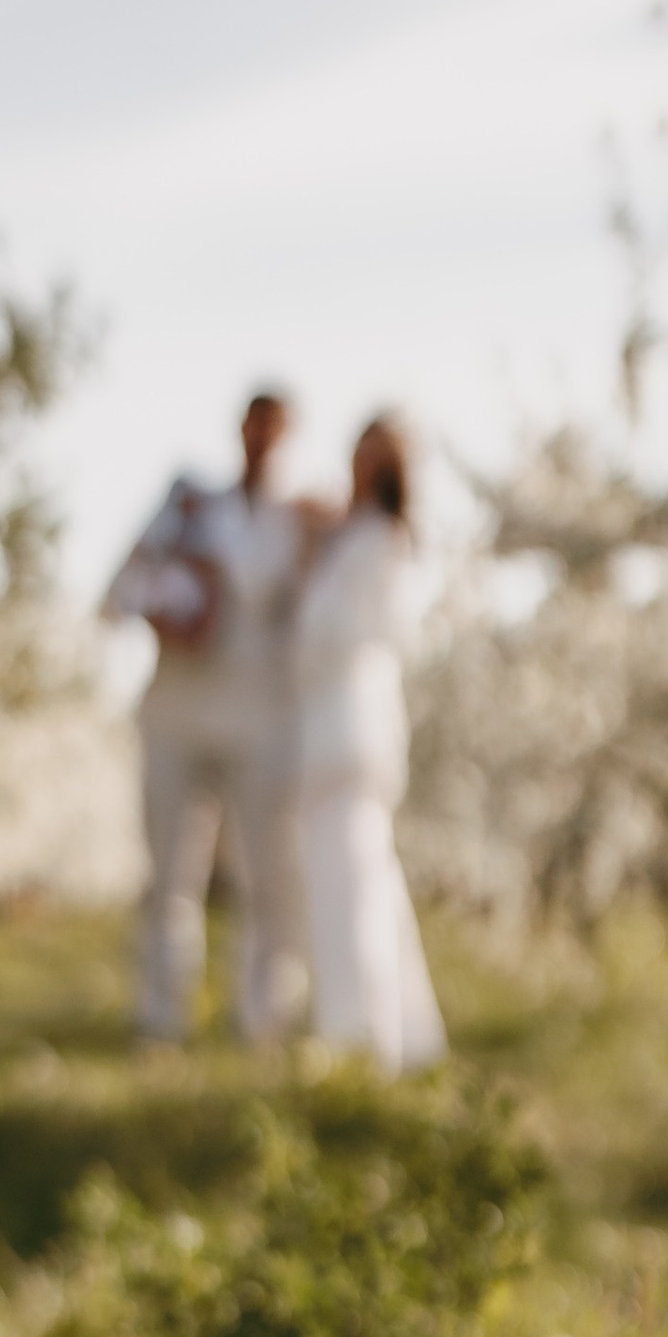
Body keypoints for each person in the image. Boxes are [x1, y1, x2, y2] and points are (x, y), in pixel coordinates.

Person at [102, 390, 308, 1043]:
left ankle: (262, 1018)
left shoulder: (297, 523)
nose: (262, 439)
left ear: (291, 437)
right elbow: (116, 593)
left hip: (257, 722)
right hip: (175, 713)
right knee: (168, 877)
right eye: (254, 424)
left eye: (276, 429)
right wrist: (161, 603)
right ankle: (162, 1019)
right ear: (240, 428)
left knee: (265, 878)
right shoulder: (186, 504)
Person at [293, 414, 445, 1074]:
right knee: (358, 882)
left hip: (349, 733)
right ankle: (394, 1033)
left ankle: (364, 1038)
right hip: (330, 727)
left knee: (352, 885)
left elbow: (342, 635)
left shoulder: (378, 541)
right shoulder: (348, 540)